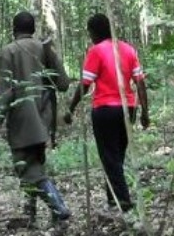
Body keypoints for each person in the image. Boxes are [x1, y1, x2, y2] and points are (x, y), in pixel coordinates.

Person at [0, 11, 72, 226]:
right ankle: (30, 216)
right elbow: (63, 83)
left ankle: (59, 208)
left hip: (22, 121)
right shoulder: (44, 48)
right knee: (35, 165)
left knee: (28, 170)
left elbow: (3, 92)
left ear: (14, 30)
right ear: (32, 29)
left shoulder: (9, 51)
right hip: (44, 119)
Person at [64, 13, 150, 213]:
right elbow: (140, 83)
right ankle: (114, 200)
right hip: (128, 108)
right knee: (117, 156)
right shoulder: (128, 49)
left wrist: (71, 108)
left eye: (90, 33)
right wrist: (144, 111)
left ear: (94, 32)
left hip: (105, 109)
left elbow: (85, 84)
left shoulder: (96, 51)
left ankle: (123, 201)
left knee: (110, 157)